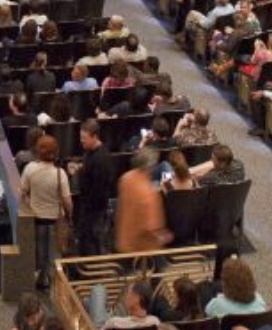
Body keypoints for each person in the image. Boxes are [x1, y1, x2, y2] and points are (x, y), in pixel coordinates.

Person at [20, 135, 71, 291]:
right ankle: (55, 286)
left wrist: (29, 203)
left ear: (37, 151)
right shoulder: (60, 173)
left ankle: (41, 282)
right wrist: (69, 215)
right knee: (55, 257)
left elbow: (22, 192)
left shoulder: (29, 169)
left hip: (37, 220)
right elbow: (67, 201)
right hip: (56, 222)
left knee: (39, 256)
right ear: (55, 152)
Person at [73, 120, 117, 256]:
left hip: (94, 211)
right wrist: (79, 169)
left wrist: (87, 208)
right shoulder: (90, 152)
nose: (81, 141)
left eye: (84, 138)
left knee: (91, 243)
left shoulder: (102, 159)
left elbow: (99, 189)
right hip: (88, 208)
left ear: (95, 136)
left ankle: (92, 272)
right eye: (81, 138)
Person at [115, 148, 171, 253]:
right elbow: (150, 226)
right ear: (151, 166)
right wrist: (165, 236)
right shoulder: (148, 191)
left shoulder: (125, 178)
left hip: (124, 241)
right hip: (143, 249)